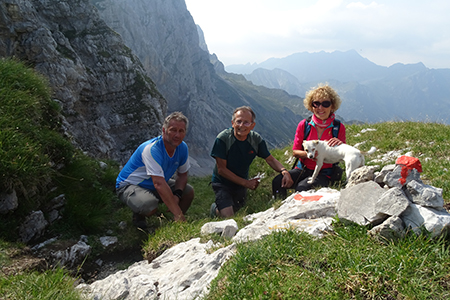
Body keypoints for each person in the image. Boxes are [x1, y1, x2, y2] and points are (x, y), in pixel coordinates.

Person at [210, 106, 293, 218]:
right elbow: (222, 170)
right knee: (228, 217)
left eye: (246, 123)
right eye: (238, 121)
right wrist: (246, 183)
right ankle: (214, 209)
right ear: (232, 123)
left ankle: (225, 205)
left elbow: (270, 159)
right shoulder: (223, 139)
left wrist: (284, 171)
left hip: (240, 184)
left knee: (239, 210)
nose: (241, 126)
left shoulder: (255, 140)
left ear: (252, 125)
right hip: (222, 183)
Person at [116, 112, 194, 229]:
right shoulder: (152, 149)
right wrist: (178, 212)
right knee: (149, 205)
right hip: (130, 185)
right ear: (164, 130)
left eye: (181, 131)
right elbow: (159, 183)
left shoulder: (182, 148)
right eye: (173, 130)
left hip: (154, 183)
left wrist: (177, 195)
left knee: (188, 192)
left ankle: (174, 223)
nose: (177, 135)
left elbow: (182, 175)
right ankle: (139, 216)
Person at [272, 84, 346, 198]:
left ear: (332, 106)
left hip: (324, 172)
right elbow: (295, 152)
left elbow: (342, 155)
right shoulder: (304, 125)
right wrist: (310, 154)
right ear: (311, 106)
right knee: (278, 181)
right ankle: (280, 208)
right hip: (303, 169)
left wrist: (339, 146)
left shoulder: (338, 128)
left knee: (302, 188)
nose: (320, 108)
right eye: (316, 103)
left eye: (325, 104)